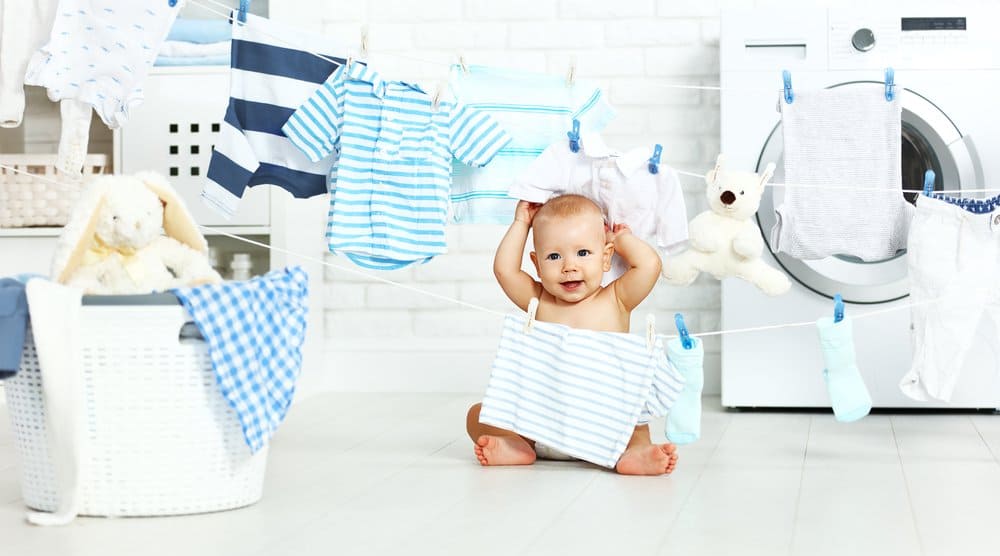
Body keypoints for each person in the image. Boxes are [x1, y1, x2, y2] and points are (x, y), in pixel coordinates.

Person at [466, 194, 678, 475]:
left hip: (605, 428)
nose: (569, 266)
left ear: (605, 257)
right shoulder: (538, 300)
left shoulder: (616, 299)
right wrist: (521, 223)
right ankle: (517, 444)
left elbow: (650, 265)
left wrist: (621, 238)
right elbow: (505, 270)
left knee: (636, 420)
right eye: (554, 256)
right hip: (541, 423)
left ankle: (634, 451)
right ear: (537, 265)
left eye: (583, 253)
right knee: (478, 415)